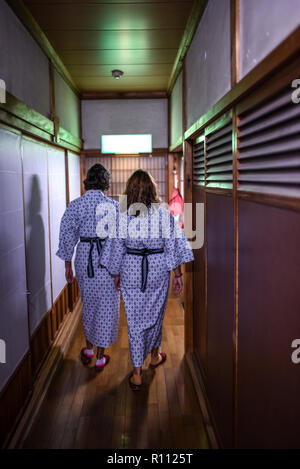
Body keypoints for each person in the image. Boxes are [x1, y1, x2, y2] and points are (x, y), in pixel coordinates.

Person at [100, 169, 194, 390]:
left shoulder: (122, 215)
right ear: (152, 189)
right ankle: (154, 356)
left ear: (129, 190)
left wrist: (116, 274)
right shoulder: (162, 213)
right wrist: (178, 275)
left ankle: (137, 373)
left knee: (134, 321)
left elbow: (116, 248)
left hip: (131, 268)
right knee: (156, 314)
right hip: (157, 268)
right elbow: (173, 245)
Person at [56, 164, 120, 371]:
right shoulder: (113, 205)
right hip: (107, 259)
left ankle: (89, 349)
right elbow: (119, 240)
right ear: (105, 182)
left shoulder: (75, 205)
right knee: (107, 306)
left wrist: (67, 266)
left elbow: (66, 237)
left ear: (87, 181)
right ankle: (100, 357)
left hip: (84, 257)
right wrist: (119, 270)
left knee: (89, 303)